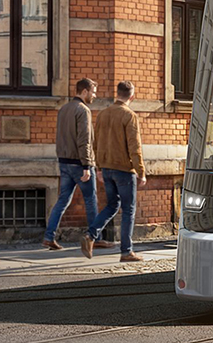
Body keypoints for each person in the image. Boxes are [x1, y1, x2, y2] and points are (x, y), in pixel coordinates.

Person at [43, 78, 115, 251]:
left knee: (62, 201)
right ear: (84, 91)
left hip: (64, 162)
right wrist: (87, 165)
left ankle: (48, 237)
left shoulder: (64, 109)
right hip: (80, 163)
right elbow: (84, 140)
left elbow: (60, 137)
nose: (95, 96)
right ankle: (95, 238)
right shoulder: (83, 110)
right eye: (93, 92)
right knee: (91, 200)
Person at [81, 81, 147, 262]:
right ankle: (126, 252)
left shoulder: (102, 114)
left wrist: (99, 168)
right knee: (128, 210)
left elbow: (95, 143)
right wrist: (141, 171)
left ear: (116, 94)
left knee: (112, 205)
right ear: (132, 97)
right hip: (124, 170)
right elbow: (135, 147)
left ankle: (90, 235)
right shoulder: (129, 115)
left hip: (107, 168)